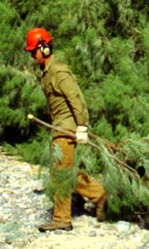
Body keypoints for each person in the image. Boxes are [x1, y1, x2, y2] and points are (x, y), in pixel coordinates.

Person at [25, 27, 107, 232]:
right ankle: (98, 194)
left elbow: (76, 98)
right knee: (63, 170)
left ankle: (63, 218)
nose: (31, 55)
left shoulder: (58, 71)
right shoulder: (47, 71)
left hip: (67, 128)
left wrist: (82, 127)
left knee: (61, 174)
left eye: (33, 51)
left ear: (44, 49)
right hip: (59, 127)